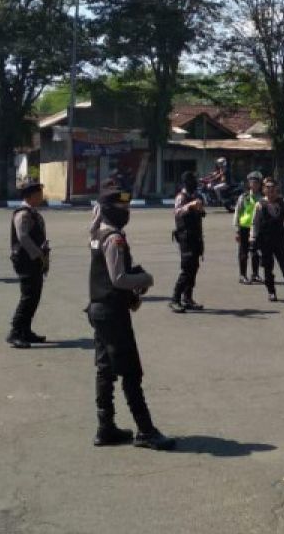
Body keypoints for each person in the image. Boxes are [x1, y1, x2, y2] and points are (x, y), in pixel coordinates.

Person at [87, 189, 175, 450]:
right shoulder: (113, 238)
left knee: (105, 369)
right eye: (123, 209)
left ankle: (106, 428)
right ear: (113, 211)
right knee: (131, 372)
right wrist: (146, 279)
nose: (127, 213)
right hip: (112, 313)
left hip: (99, 309)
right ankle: (145, 430)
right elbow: (119, 279)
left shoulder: (97, 234)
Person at [6, 181, 50, 348]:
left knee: (34, 297)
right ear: (30, 196)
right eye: (39, 194)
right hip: (26, 261)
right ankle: (15, 332)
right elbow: (23, 237)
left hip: (33, 261)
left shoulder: (32, 213)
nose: (41, 197)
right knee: (28, 297)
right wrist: (38, 254)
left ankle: (26, 330)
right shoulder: (23, 214)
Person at [250, 177, 284, 303]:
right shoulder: (260, 205)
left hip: (279, 240)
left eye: (273, 189)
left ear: (277, 190)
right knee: (267, 268)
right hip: (265, 241)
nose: (271, 192)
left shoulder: (282, 204)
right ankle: (271, 292)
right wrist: (253, 239)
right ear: (264, 190)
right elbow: (254, 223)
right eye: (268, 189)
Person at [170, 171, 207, 313]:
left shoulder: (195, 196)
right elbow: (177, 212)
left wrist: (199, 207)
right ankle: (175, 299)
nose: (195, 183)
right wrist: (190, 205)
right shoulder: (181, 197)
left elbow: (201, 213)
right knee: (187, 269)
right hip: (185, 238)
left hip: (196, 237)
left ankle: (188, 298)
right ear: (186, 183)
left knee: (194, 268)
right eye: (192, 181)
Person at [233, 172, 264, 284]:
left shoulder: (262, 198)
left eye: (256, 183)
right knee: (243, 252)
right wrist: (237, 229)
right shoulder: (244, 197)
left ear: (260, 184)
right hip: (244, 227)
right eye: (252, 182)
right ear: (249, 184)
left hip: (257, 228)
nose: (254, 184)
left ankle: (255, 274)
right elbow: (237, 212)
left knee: (255, 252)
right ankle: (242, 275)